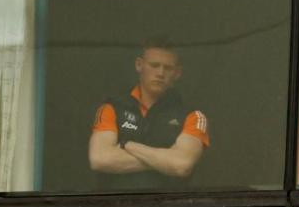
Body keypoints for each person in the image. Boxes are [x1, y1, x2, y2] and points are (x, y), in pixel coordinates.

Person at [89, 43, 209, 189]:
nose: (160, 73)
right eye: (154, 65)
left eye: (168, 68)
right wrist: (165, 160)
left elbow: (181, 165)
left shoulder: (193, 115)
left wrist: (127, 145)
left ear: (177, 73)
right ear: (139, 65)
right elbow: (100, 159)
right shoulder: (112, 107)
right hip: (116, 206)